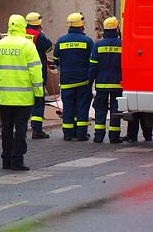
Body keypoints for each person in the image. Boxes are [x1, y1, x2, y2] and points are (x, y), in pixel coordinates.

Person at [0, 14, 44, 170]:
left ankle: (6, 159)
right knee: (20, 128)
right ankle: (17, 160)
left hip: (4, 97)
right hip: (23, 97)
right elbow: (36, 72)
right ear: (23, 26)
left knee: (6, 128)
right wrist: (39, 93)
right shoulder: (27, 46)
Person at [53, 12, 94, 141]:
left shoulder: (61, 41)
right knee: (81, 107)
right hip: (82, 81)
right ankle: (81, 134)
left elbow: (55, 60)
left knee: (69, 107)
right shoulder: (87, 41)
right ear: (81, 26)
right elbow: (92, 61)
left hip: (66, 81)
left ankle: (68, 133)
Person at [89, 16, 123, 144]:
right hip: (117, 83)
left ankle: (98, 136)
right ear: (116, 29)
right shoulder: (122, 44)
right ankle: (114, 137)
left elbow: (93, 65)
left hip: (101, 83)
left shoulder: (98, 45)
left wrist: (89, 82)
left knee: (100, 108)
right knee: (115, 110)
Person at [25, 11, 52, 139]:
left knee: (24, 101)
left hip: (23, 72)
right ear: (38, 24)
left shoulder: (20, 34)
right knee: (38, 101)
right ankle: (37, 130)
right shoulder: (39, 36)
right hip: (37, 72)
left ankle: (22, 127)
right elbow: (48, 48)